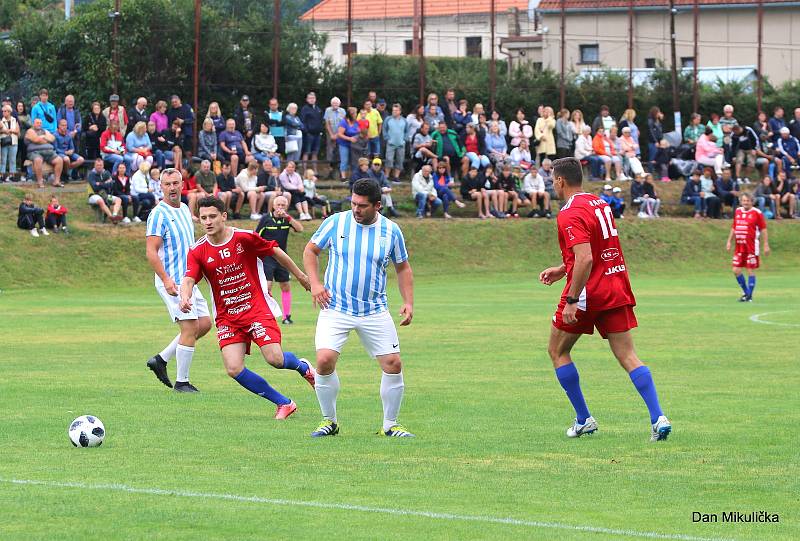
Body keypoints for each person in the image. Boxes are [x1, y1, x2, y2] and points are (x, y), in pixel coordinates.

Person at [538, 157, 671, 442]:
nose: (552, 183)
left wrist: (572, 298)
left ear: (561, 180)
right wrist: (563, 269)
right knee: (628, 355)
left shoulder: (568, 212)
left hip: (588, 292)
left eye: (553, 179)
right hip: (616, 286)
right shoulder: (600, 203)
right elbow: (595, 249)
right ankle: (658, 417)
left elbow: (585, 257)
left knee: (557, 351)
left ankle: (584, 419)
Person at [181, 197, 314, 419]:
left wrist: (300, 276)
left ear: (224, 216)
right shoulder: (197, 250)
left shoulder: (244, 238)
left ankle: (304, 368)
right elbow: (188, 278)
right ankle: (284, 403)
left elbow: (275, 251)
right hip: (227, 317)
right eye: (203, 218)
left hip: (255, 308)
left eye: (212, 216)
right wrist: (184, 297)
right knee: (233, 368)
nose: (208, 221)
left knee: (275, 359)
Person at [303, 178, 414, 437]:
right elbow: (310, 251)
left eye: (362, 206)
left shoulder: (391, 231)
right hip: (335, 307)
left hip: (374, 310)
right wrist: (316, 284)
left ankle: (391, 425)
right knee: (324, 360)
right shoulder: (336, 222)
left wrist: (408, 302)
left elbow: (403, 267)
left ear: (378, 205)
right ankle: (329, 421)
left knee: (393, 363)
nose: (356, 209)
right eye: (353, 203)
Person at [144, 168, 212, 392]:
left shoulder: (184, 209)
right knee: (191, 326)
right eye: (167, 184)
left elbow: (187, 245)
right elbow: (151, 252)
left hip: (188, 279)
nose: (172, 188)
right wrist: (166, 280)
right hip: (172, 281)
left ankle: (161, 360)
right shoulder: (158, 214)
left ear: (182, 184)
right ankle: (182, 382)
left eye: (175, 183)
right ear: (161, 187)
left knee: (204, 324)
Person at [255, 194, 304, 325]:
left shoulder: (287, 220)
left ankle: (286, 316)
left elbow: (300, 229)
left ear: (286, 206)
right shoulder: (266, 219)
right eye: (278, 205)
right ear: (273, 206)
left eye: (283, 205)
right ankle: (267, 315)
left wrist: (288, 217)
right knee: (267, 286)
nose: (280, 207)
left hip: (282, 257)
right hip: (267, 257)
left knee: (285, 286)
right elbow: (255, 237)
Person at [726, 193, 769, 302]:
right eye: (744, 200)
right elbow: (734, 227)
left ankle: (748, 295)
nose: (746, 202)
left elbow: (763, 229)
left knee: (750, 269)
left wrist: (766, 244)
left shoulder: (757, 213)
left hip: (751, 246)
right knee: (736, 270)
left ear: (752, 202)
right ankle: (747, 293)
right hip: (739, 246)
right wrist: (729, 241)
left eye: (748, 201)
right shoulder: (738, 211)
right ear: (741, 201)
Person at [25, 117, 64, 188]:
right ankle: (40, 182)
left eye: (40, 123)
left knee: (59, 160)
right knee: (38, 160)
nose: (39, 124)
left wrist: (42, 137)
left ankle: (56, 181)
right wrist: (46, 138)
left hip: (49, 152)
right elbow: (36, 140)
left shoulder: (44, 130)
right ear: (33, 124)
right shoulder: (30, 131)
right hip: (35, 152)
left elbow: (52, 138)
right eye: (37, 123)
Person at [87, 157, 123, 222]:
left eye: (100, 165)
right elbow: (95, 187)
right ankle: (111, 217)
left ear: (103, 165)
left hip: (105, 195)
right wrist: (105, 183)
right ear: (94, 166)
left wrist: (100, 184)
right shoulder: (91, 174)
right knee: (100, 200)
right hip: (94, 196)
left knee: (118, 200)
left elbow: (111, 184)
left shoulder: (106, 173)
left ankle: (114, 215)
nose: (99, 167)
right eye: (97, 165)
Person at [382, 104, 407, 182]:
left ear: (400, 111)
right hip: (390, 143)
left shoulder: (404, 120)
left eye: (396, 110)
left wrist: (404, 140)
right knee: (389, 159)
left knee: (400, 160)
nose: (394, 112)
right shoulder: (388, 119)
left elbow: (406, 131)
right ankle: (386, 176)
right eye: (393, 110)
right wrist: (387, 138)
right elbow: (384, 129)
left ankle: (396, 177)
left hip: (401, 144)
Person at [323, 97, 345, 178]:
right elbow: (327, 123)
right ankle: (330, 171)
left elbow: (344, 123)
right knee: (330, 151)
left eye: (336, 103)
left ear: (339, 104)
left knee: (340, 152)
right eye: (333, 103)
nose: (335, 104)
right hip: (330, 134)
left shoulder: (342, 111)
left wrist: (338, 134)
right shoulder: (328, 110)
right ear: (331, 104)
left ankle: (339, 171)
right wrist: (332, 134)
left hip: (341, 134)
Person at [336, 107, 360, 182]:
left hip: (354, 144)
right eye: (355, 113)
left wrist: (357, 136)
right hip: (344, 144)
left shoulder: (356, 122)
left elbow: (359, 131)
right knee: (344, 160)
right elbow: (339, 134)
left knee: (354, 160)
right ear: (351, 114)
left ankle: (354, 176)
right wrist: (349, 139)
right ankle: (343, 177)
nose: (356, 114)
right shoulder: (344, 122)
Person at [300, 92, 323, 166]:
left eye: (313, 98)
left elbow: (321, 120)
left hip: (317, 134)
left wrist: (321, 131)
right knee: (306, 152)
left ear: (315, 99)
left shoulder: (318, 109)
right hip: (308, 135)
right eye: (310, 98)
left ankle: (315, 172)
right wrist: (306, 132)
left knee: (315, 153)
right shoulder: (304, 109)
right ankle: (304, 172)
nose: (312, 99)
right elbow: (302, 122)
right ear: (307, 99)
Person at [0, 104, 19, 181]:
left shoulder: (14, 120)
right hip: (4, 142)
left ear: (9, 112)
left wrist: (11, 130)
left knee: (12, 160)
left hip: (13, 142)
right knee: (3, 160)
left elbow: (17, 131)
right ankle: (2, 176)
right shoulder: (1, 120)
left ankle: (12, 176)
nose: (3, 113)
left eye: (5, 111)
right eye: (3, 111)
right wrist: (4, 131)